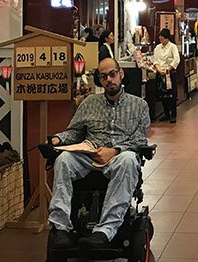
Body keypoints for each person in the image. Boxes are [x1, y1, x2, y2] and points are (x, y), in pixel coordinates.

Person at [47, 58, 150, 250]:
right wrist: (57, 140)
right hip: (89, 154)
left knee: (128, 160)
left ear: (121, 74)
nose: (109, 80)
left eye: (112, 74)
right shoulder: (89, 103)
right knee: (63, 160)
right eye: (104, 77)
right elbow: (74, 132)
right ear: (100, 80)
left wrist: (114, 151)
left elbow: (140, 140)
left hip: (120, 156)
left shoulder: (140, 105)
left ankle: (105, 231)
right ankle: (61, 227)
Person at [153, 28, 180, 123]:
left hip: (170, 73)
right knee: (163, 95)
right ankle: (166, 113)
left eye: (163, 38)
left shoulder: (173, 47)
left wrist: (169, 68)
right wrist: (159, 70)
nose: (161, 40)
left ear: (167, 38)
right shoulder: (157, 47)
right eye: (160, 39)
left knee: (171, 95)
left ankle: (173, 115)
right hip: (161, 73)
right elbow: (155, 60)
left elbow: (176, 59)